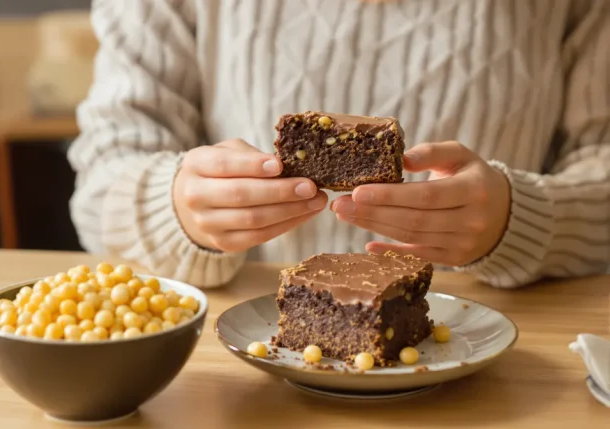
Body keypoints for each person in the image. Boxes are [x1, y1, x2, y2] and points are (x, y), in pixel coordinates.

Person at [68, 0, 610, 289]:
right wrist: (174, 208)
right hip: (243, 366)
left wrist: (522, 219)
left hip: (495, 360)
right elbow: (101, 180)